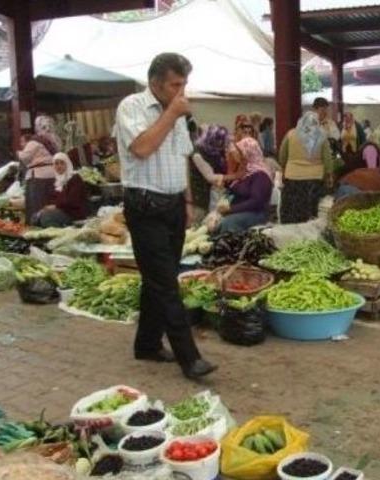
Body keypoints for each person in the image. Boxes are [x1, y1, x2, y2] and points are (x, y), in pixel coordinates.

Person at [114, 52, 216, 379]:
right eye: (176, 84)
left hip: (173, 204)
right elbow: (142, 148)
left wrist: (186, 202)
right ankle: (190, 358)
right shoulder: (131, 107)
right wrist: (171, 114)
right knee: (166, 283)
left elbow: (183, 157)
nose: (182, 89)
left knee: (158, 278)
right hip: (145, 205)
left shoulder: (179, 115)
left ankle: (146, 344)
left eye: (184, 83)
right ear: (156, 83)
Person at [278, 111, 333, 223]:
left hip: (292, 177)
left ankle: (289, 233)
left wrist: (284, 167)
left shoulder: (291, 134)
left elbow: (282, 155)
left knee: (291, 210)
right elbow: (327, 159)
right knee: (309, 212)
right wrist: (329, 175)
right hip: (314, 179)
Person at [216, 137, 273, 233]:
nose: (239, 156)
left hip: (255, 213)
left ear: (249, 154)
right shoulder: (246, 172)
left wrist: (231, 209)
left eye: (241, 153)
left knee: (228, 222)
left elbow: (256, 201)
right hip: (239, 211)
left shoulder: (261, 175)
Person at [20, 115, 61, 224]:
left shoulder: (35, 141)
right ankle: (51, 223)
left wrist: (18, 153)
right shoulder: (56, 140)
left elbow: (25, 157)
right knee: (50, 202)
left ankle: (37, 225)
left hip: (38, 177)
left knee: (37, 204)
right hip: (53, 175)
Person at [31, 153, 88, 227]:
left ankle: (60, 234)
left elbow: (73, 200)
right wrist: (48, 208)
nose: (59, 166)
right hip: (60, 211)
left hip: (73, 213)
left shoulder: (74, 178)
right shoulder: (56, 181)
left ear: (67, 164)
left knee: (46, 217)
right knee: (35, 217)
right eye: (56, 164)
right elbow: (51, 199)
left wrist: (56, 206)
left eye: (62, 163)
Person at [189, 124, 229, 212]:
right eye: (218, 140)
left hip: (209, 194)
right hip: (199, 197)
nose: (220, 144)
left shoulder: (216, 152)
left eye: (222, 141)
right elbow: (210, 177)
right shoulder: (198, 154)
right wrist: (236, 175)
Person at [226, 114, 254, 182]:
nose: (247, 134)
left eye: (249, 132)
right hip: (234, 179)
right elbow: (239, 159)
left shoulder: (249, 143)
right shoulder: (232, 143)